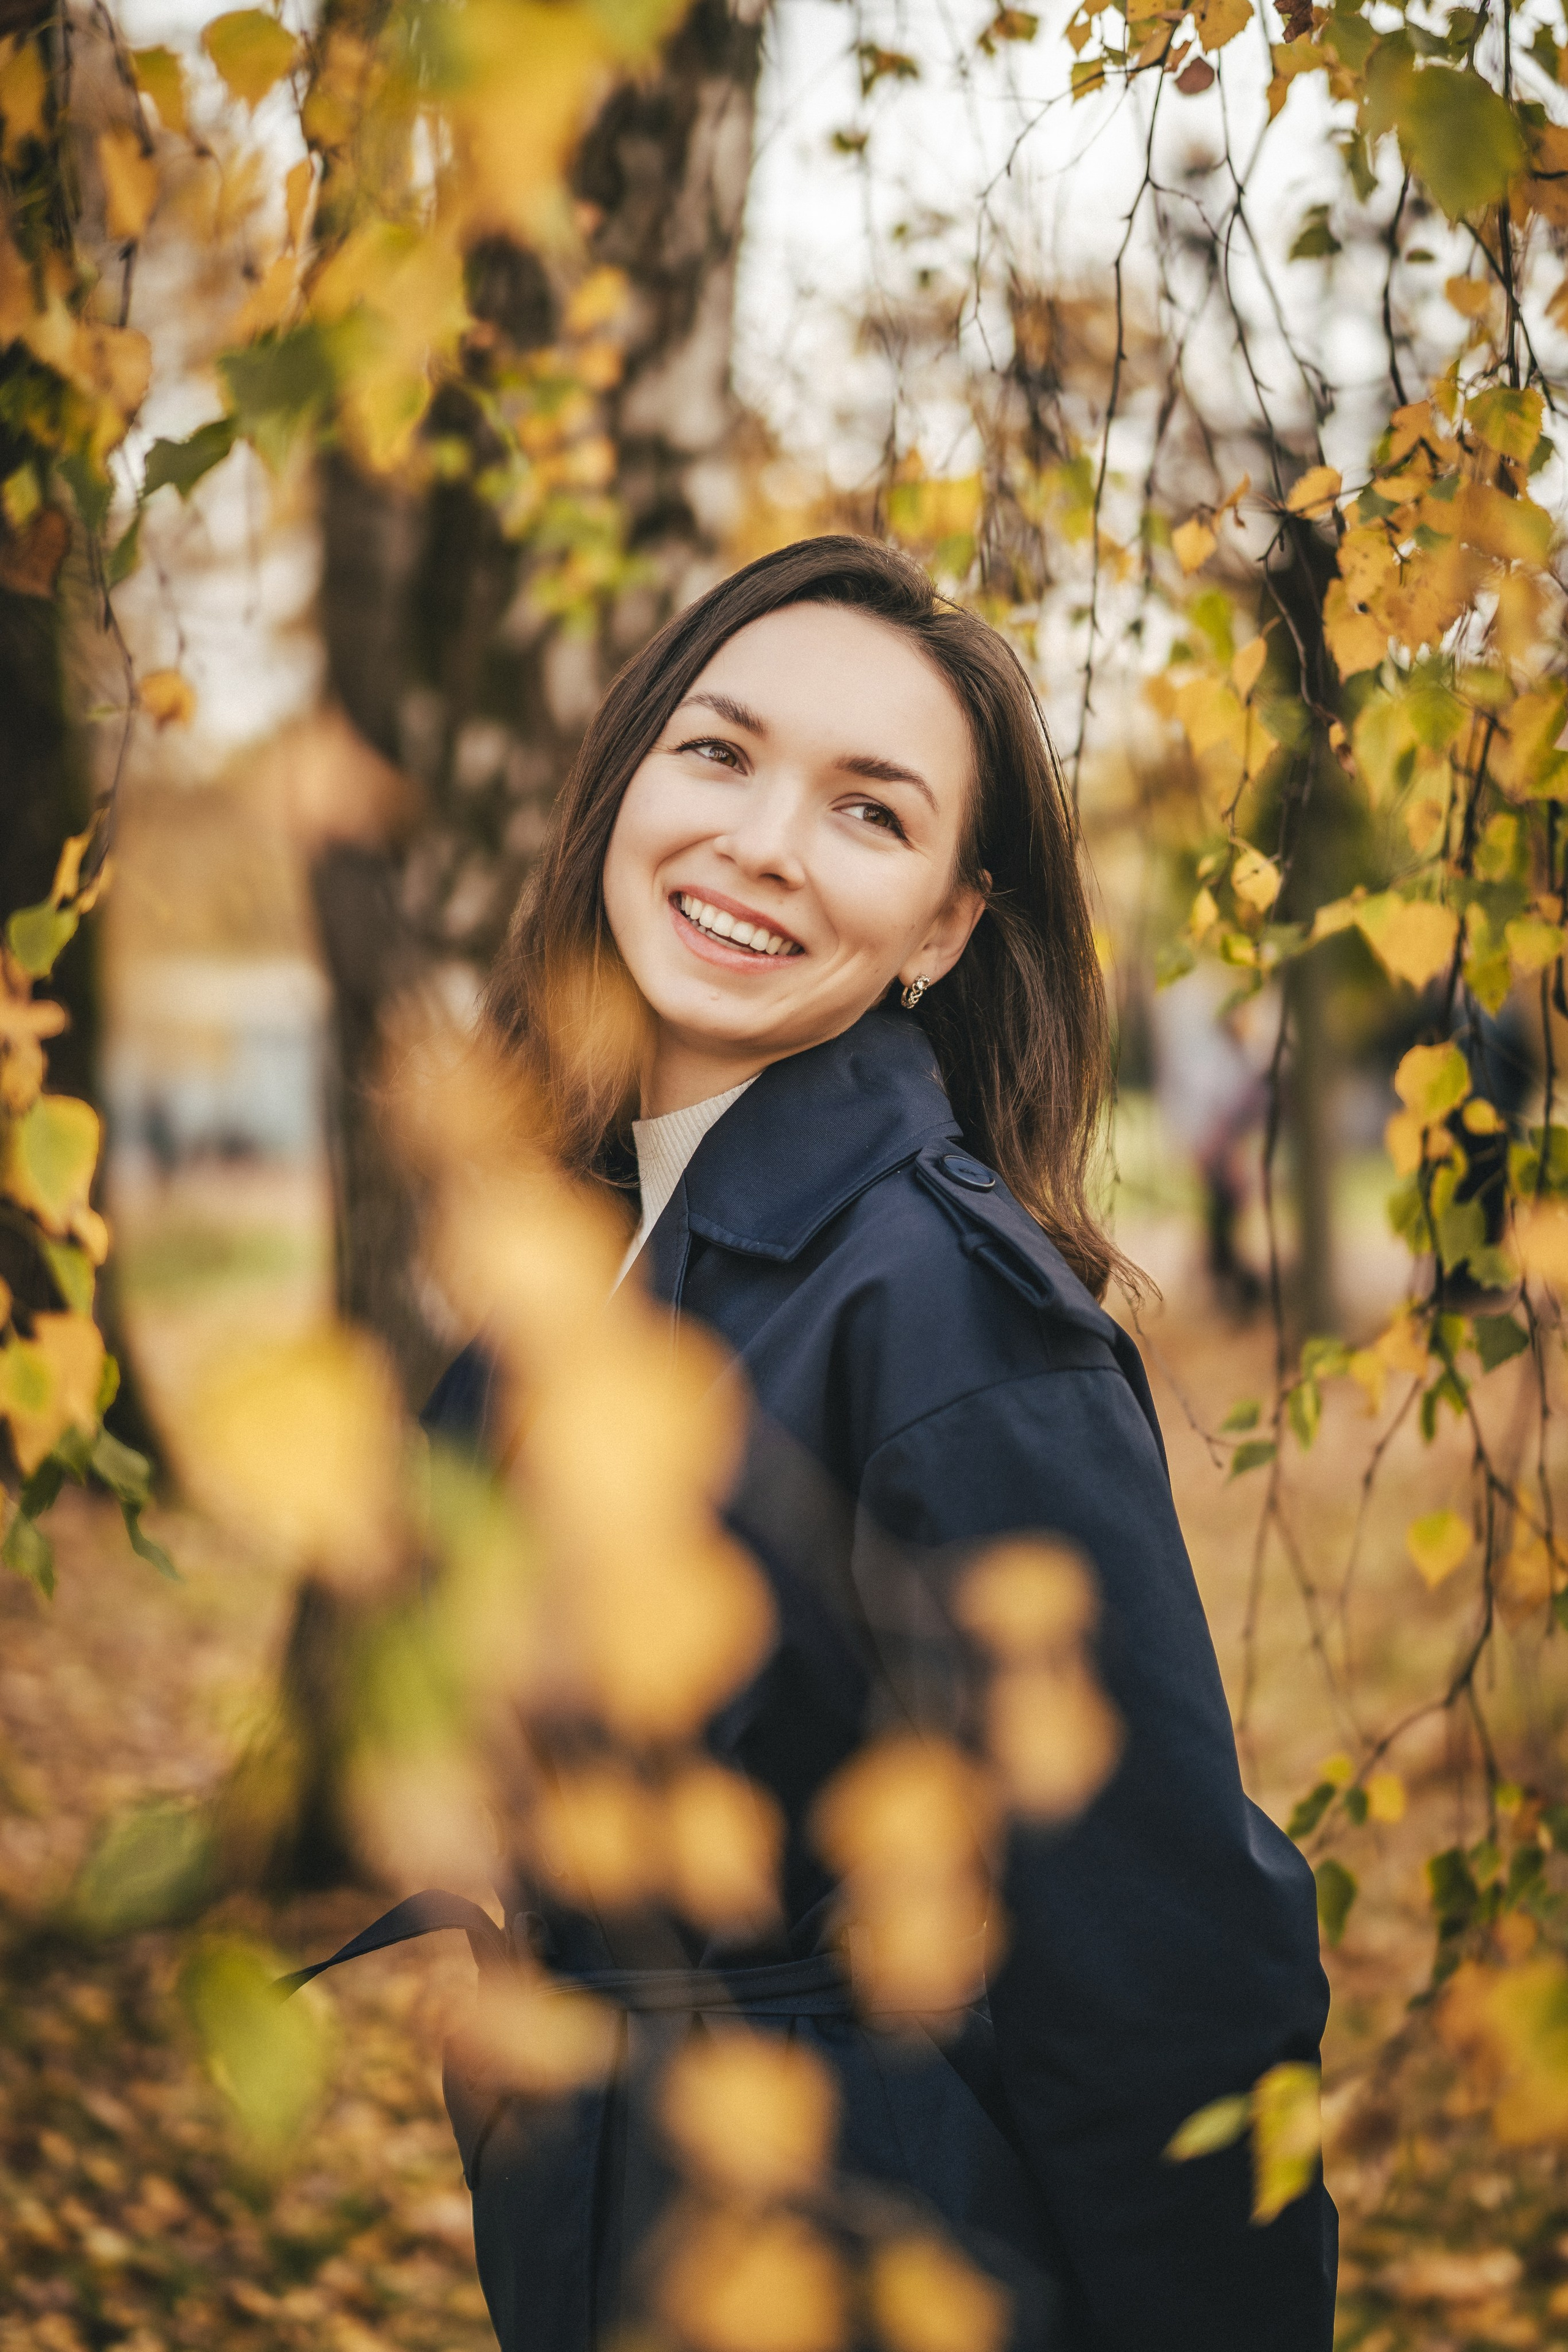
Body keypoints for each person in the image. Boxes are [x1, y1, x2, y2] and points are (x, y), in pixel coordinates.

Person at [304, 537, 1335, 2351]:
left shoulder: (943, 1309)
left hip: (862, 2261)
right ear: (627, 777)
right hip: (623, 2217)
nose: (766, 841)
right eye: (720, 753)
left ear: (947, 922)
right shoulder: (600, 1244)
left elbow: (1171, 1963)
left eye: (871, 811)